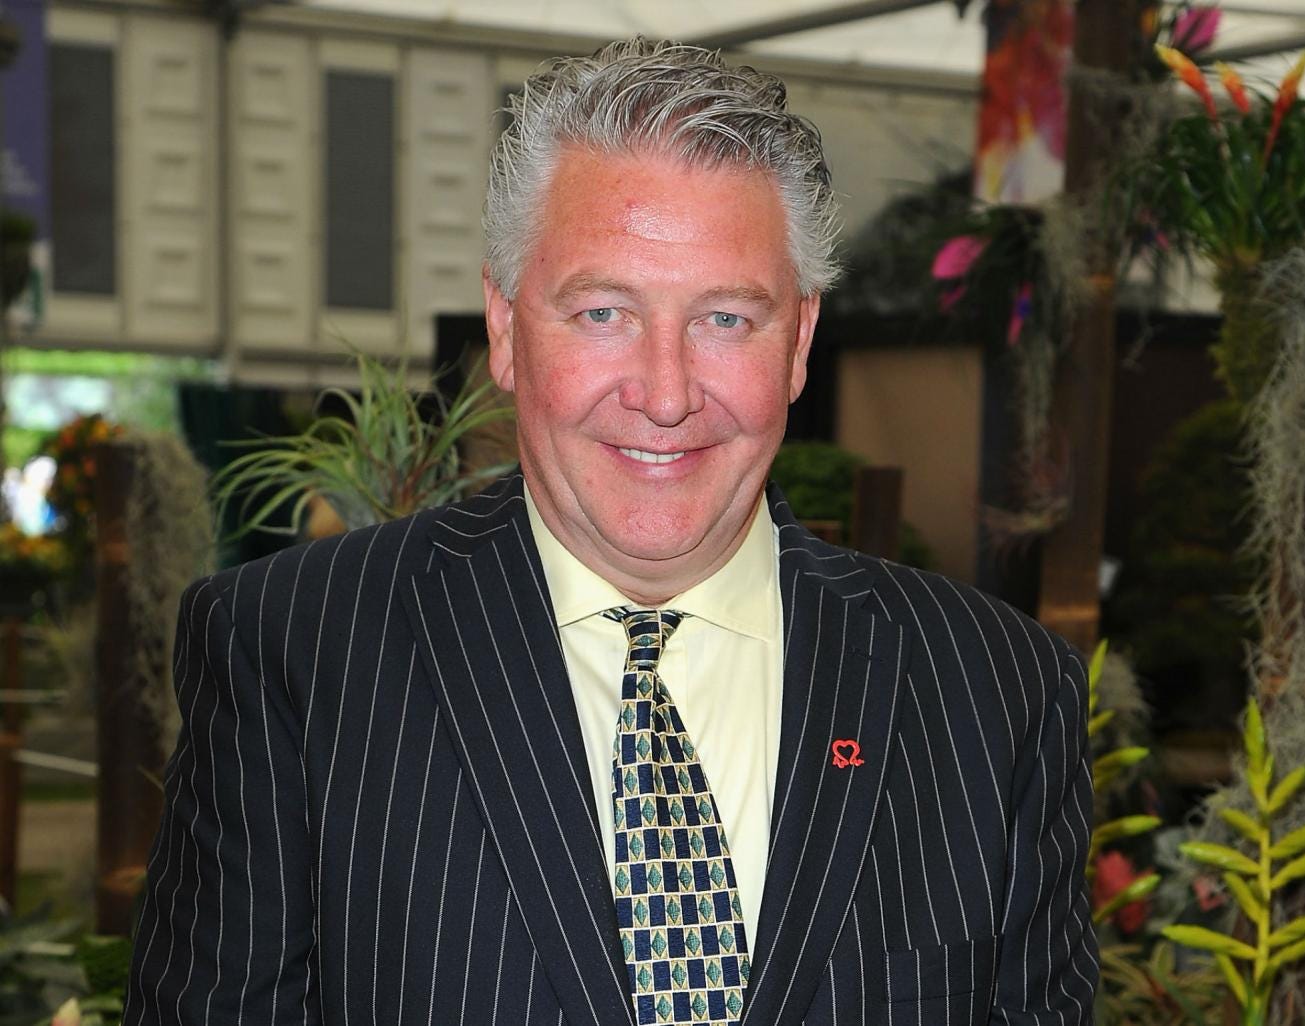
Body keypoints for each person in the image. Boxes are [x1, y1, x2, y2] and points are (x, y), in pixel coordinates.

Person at [124, 37, 1097, 1026]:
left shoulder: (997, 690)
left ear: (799, 340)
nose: (666, 395)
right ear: (506, 329)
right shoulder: (295, 652)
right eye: (602, 312)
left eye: (725, 319)